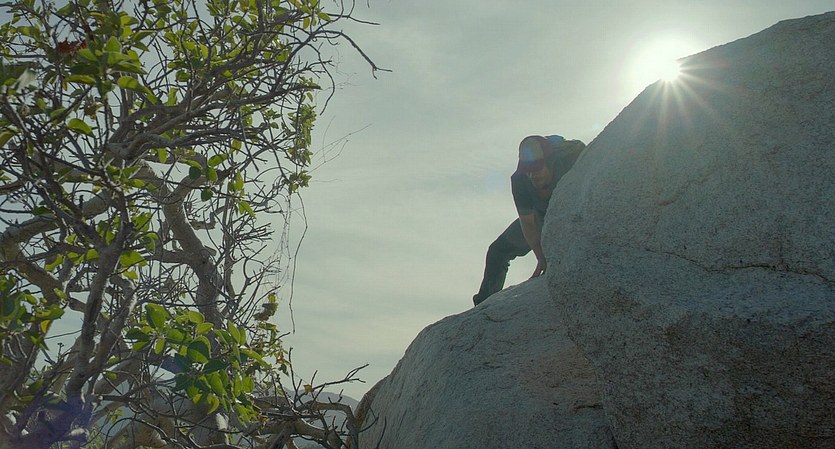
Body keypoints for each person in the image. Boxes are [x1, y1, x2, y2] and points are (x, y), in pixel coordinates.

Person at [472, 134, 585, 306]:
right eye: (527, 170)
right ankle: (483, 305)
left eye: (536, 168)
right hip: (540, 217)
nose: (532, 175)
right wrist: (541, 256)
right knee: (497, 251)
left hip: (571, 213)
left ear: (550, 161)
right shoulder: (520, 180)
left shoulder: (570, 161)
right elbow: (528, 223)